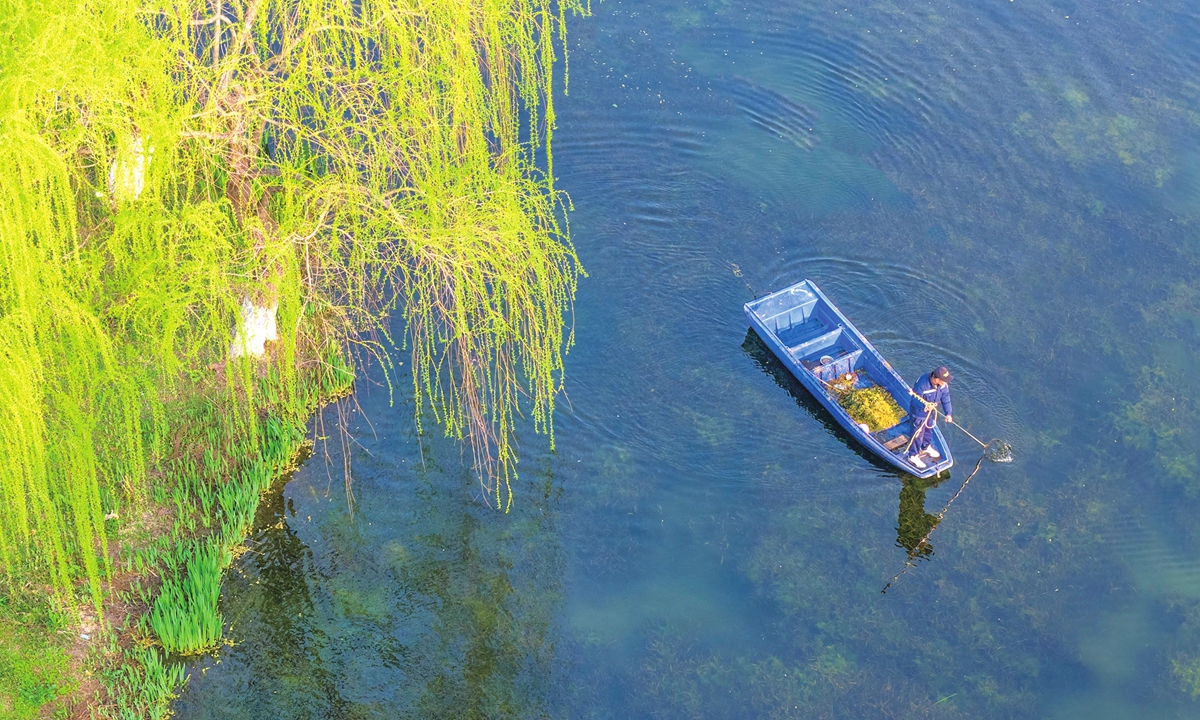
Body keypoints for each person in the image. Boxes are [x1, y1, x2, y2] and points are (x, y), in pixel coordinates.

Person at [907, 366, 952, 469]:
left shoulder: (943, 386)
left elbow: (946, 398)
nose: (946, 383)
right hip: (918, 414)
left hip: (929, 414)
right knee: (918, 434)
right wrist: (924, 406)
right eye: (944, 381)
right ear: (936, 379)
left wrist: (948, 413)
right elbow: (915, 400)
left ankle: (925, 446)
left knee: (928, 430)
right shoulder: (922, 384)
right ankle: (913, 455)